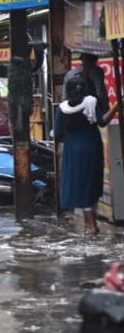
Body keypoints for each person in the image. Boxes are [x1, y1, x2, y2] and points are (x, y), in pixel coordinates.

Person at [54, 74, 120, 236]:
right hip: (92, 147)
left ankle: (91, 225)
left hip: (73, 150)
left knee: (80, 186)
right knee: (91, 184)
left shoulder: (62, 109)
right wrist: (116, 107)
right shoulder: (91, 102)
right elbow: (102, 122)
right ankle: (91, 225)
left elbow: (57, 132)